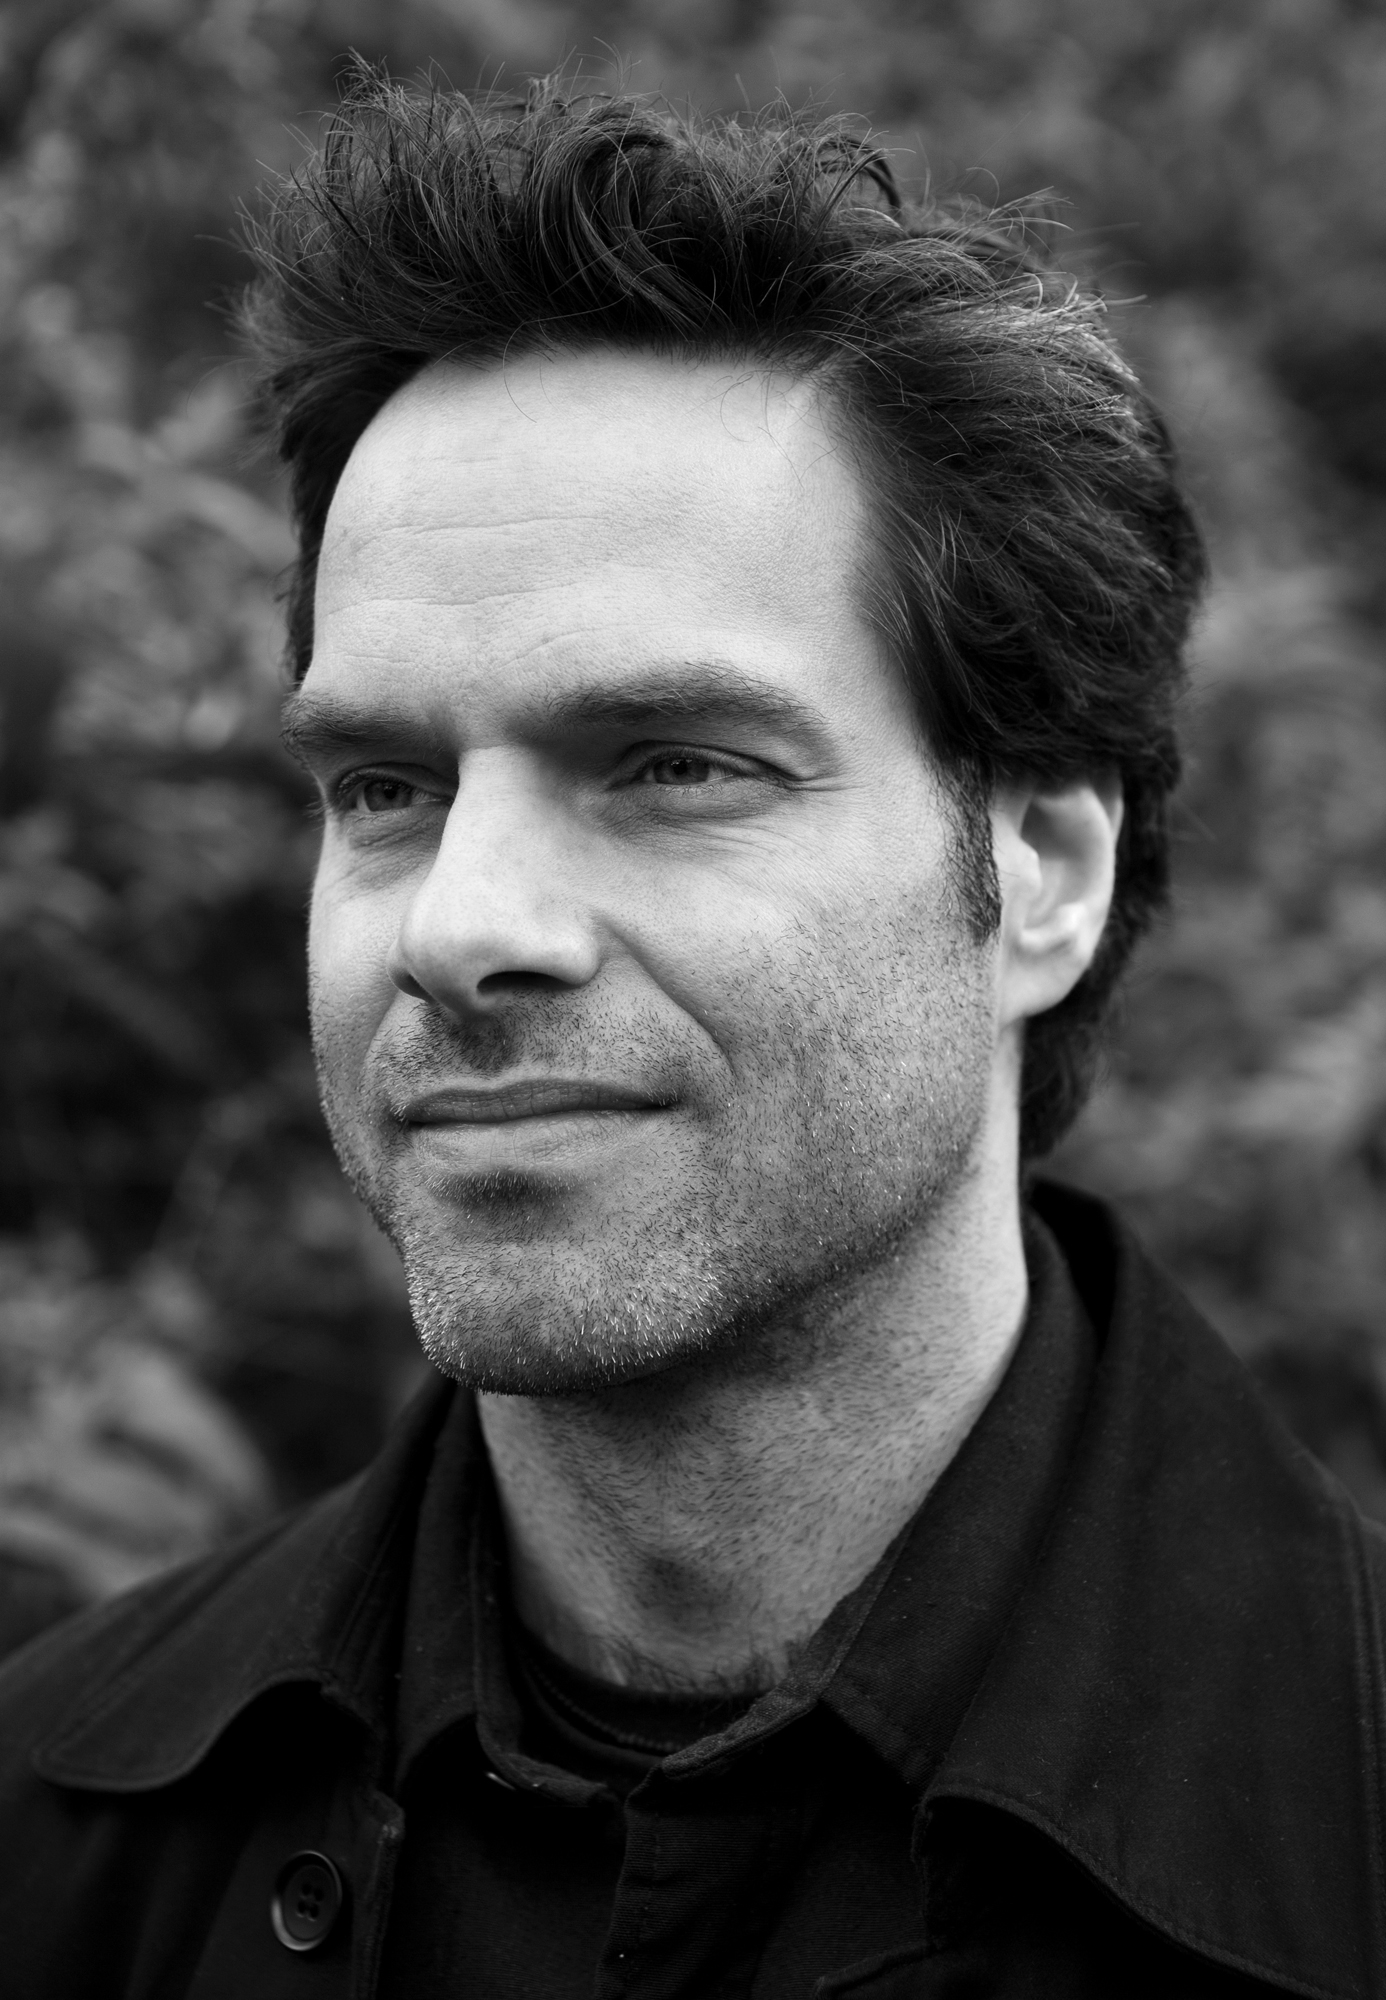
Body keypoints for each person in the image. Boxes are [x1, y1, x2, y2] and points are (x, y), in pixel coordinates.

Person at [0, 69, 1381, 2000]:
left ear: (1041, 873)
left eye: (671, 765)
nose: (463, 926)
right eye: (385, 788)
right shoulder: (47, 1839)